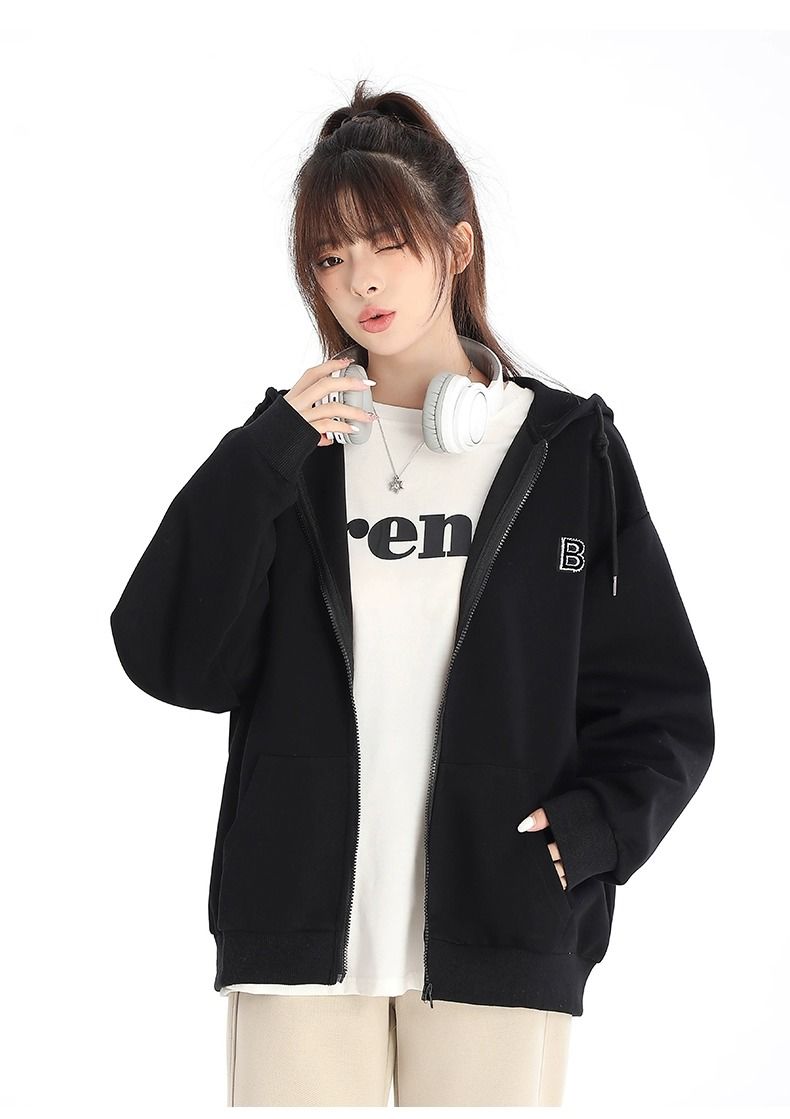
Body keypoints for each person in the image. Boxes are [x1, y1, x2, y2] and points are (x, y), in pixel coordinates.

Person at [109, 80, 715, 1107]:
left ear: (457, 245)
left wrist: (593, 834)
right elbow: (171, 659)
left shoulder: (565, 452)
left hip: (502, 922)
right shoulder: (289, 459)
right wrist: (262, 453)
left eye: (387, 243)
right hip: (300, 932)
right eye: (329, 257)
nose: (361, 281)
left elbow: (661, 702)